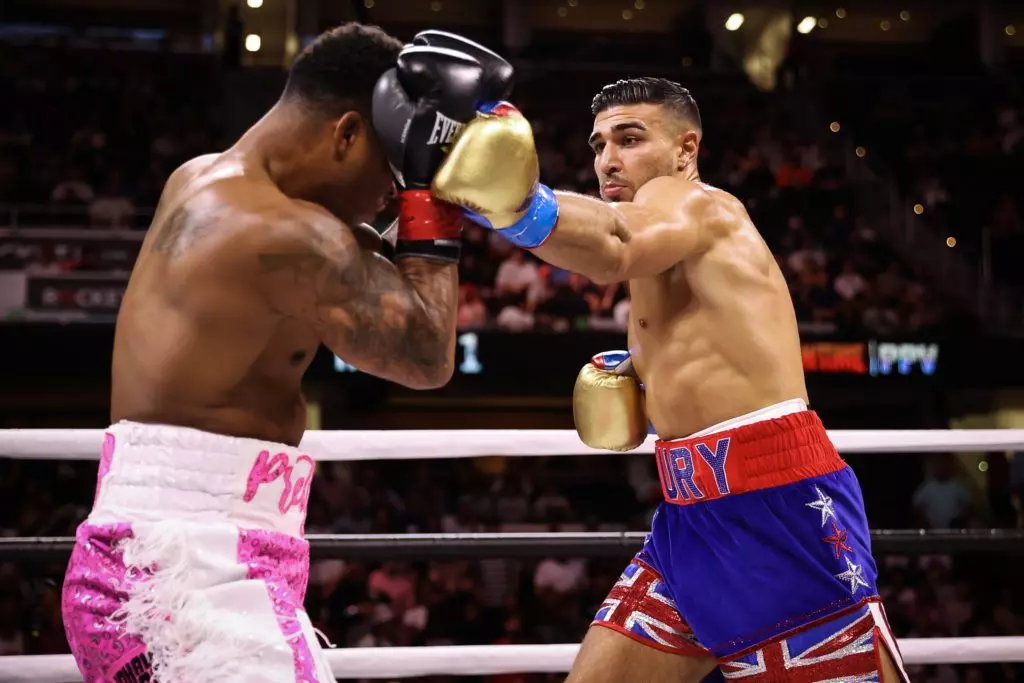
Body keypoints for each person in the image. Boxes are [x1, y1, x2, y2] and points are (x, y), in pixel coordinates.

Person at [61, 24, 512, 682]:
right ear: (347, 134)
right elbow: (424, 355)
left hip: (165, 556)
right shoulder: (289, 236)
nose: (391, 195)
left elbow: (363, 260)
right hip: (188, 570)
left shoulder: (202, 179)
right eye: (390, 171)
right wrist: (432, 196)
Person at [434, 77, 909, 681]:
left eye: (629, 138)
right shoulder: (668, 247)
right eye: (598, 142)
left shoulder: (698, 205)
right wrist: (641, 372)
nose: (608, 158)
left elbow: (613, 243)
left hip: (778, 508)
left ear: (686, 150)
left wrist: (517, 202)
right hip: (689, 516)